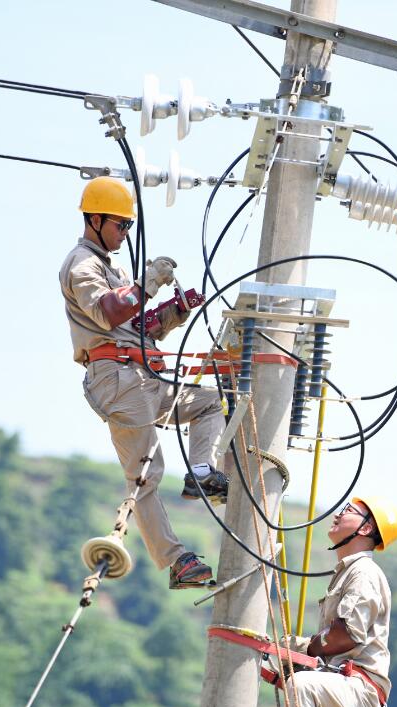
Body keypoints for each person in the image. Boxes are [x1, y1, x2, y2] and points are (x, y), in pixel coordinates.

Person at [59, 176, 228, 590]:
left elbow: (138, 326)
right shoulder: (82, 264)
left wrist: (175, 310)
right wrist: (147, 283)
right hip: (115, 379)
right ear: (95, 220)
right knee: (146, 474)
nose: (125, 234)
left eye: (128, 226)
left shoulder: (112, 266)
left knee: (209, 403)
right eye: (120, 225)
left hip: (140, 375)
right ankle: (176, 561)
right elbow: (108, 313)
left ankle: (203, 470)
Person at [280, 496, 397, 707]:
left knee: (302, 687)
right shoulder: (348, 573)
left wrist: (303, 650)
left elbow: (346, 635)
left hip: (358, 692)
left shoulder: (363, 572)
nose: (338, 514)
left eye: (348, 510)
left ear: (366, 528)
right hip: (343, 695)